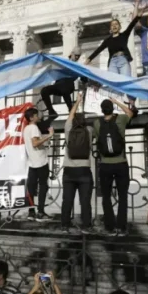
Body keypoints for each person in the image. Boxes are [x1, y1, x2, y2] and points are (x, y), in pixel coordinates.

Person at [93, 98, 135, 236]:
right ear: (112, 109)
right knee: (123, 196)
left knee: (106, 196)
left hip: (105, 164)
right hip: (121, 163)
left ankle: (109, 227)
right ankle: (121, 227)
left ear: (101, 110)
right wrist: (116, 101)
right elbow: (130, 112)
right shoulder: (121, 119)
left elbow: (96, 139)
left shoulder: (97, 123)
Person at [61, 92, 93, 233]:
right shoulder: (89, 131)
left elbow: (71, 115)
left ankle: (64, 225)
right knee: (85, 201)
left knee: (67, 200)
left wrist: (77, 101)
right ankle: (86, 226)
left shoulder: (68, 129)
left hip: (69, 170)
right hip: (84, 171)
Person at [22, 107, 53, 222]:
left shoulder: (26, 129)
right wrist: (49, 135)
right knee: (43, 186)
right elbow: (35, 143)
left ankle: (31, 212)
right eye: (36, 115)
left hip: (32, 162)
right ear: (32, 117)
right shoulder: (34, 128)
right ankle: (40, 212)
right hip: (40, 161)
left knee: (31, 188)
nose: (38, 116)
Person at [40, 47, 84, 118]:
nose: (76, 57)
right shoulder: (63, 61)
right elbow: (52, 60)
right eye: (75, 55)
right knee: (44, 91)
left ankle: (71, 109)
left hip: (68, 86)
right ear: (72, 53)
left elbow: (84, 79)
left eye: (78, 56)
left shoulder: (78, 67)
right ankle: (51, 111)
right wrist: (43, 54)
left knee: (64, 87)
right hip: (58, 86)